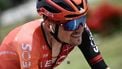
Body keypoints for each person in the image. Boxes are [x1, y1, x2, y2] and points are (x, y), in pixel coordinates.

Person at [0, 0, 110, 69]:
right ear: (49, 26)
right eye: (72, 24)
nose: (80, 28)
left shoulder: (81, 31)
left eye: (82, 19)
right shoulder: (29, 42)